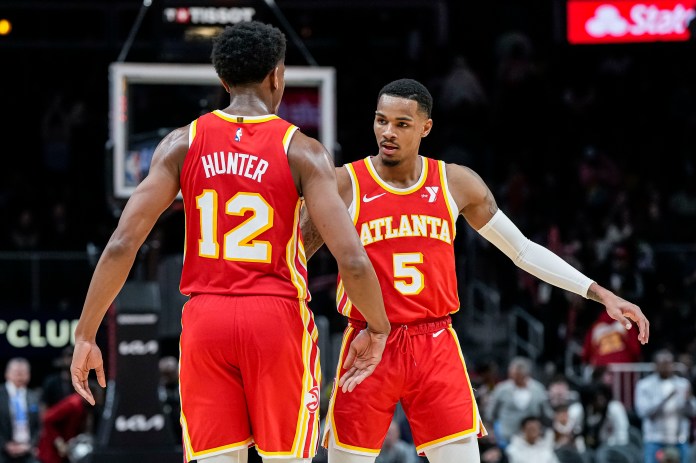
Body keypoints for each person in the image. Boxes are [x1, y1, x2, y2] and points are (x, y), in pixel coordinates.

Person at [69, 20, 391, 463]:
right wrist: (378, 327)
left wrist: (86, 334)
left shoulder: (181, 143)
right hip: (276, 318)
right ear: (277, 75)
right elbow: (352, 260)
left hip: (206, 320)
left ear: (222, 80)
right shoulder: (304, 151)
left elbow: (123, 244)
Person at [300, 78, 650, 463]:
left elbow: (523, 251)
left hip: (434, 344)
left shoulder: (456, 182)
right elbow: (292, 258)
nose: (387, 132)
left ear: (425, 127)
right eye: (381, 120)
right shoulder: (344, 184)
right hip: (368, 342)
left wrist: (600, 293)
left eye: (401, 123)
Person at [634, 349, 695, 463]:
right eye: (663, 363)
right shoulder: (644, 385)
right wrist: (666, 398)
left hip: (679, 440)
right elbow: (642, 412)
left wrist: (688, 401)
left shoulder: (683, 384)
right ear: (655, 365)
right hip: (654, 439)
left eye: (669, 363)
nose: (666, 366)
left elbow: (693, 412)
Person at [486, 357, 554, 450]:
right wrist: (493, 431)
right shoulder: (502, 389)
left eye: (518, 375)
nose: (514, 378)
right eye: (512, 375)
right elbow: (491, 413)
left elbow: (546, 413)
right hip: (506, 438)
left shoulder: (538, 389)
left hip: (531, 439)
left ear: (526, 374)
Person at [0, 358, 40, 463]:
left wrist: (30, 444)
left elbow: (39, 426)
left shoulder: (34, 396)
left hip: (27, 450)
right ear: (7, 374)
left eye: (23, 373)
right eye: (16, 372)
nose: (20, 376)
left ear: (29, 375)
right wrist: (5, 444)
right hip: (3, 451)